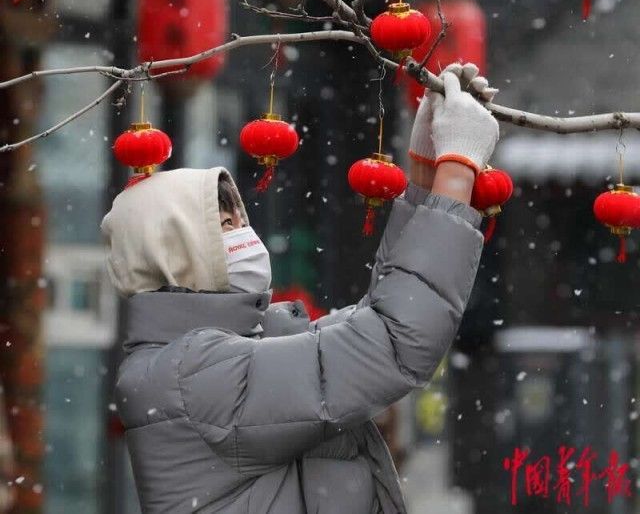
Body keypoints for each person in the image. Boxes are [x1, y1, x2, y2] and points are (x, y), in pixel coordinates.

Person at [101, 64, 499, 514]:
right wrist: (456, 173)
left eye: (242, 219)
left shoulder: (214, 359)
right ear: (174, 253)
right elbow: (393, 342)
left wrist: (428, 175)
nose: (244, 234)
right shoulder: (193, 375)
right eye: (225, 225)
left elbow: (378, 320)